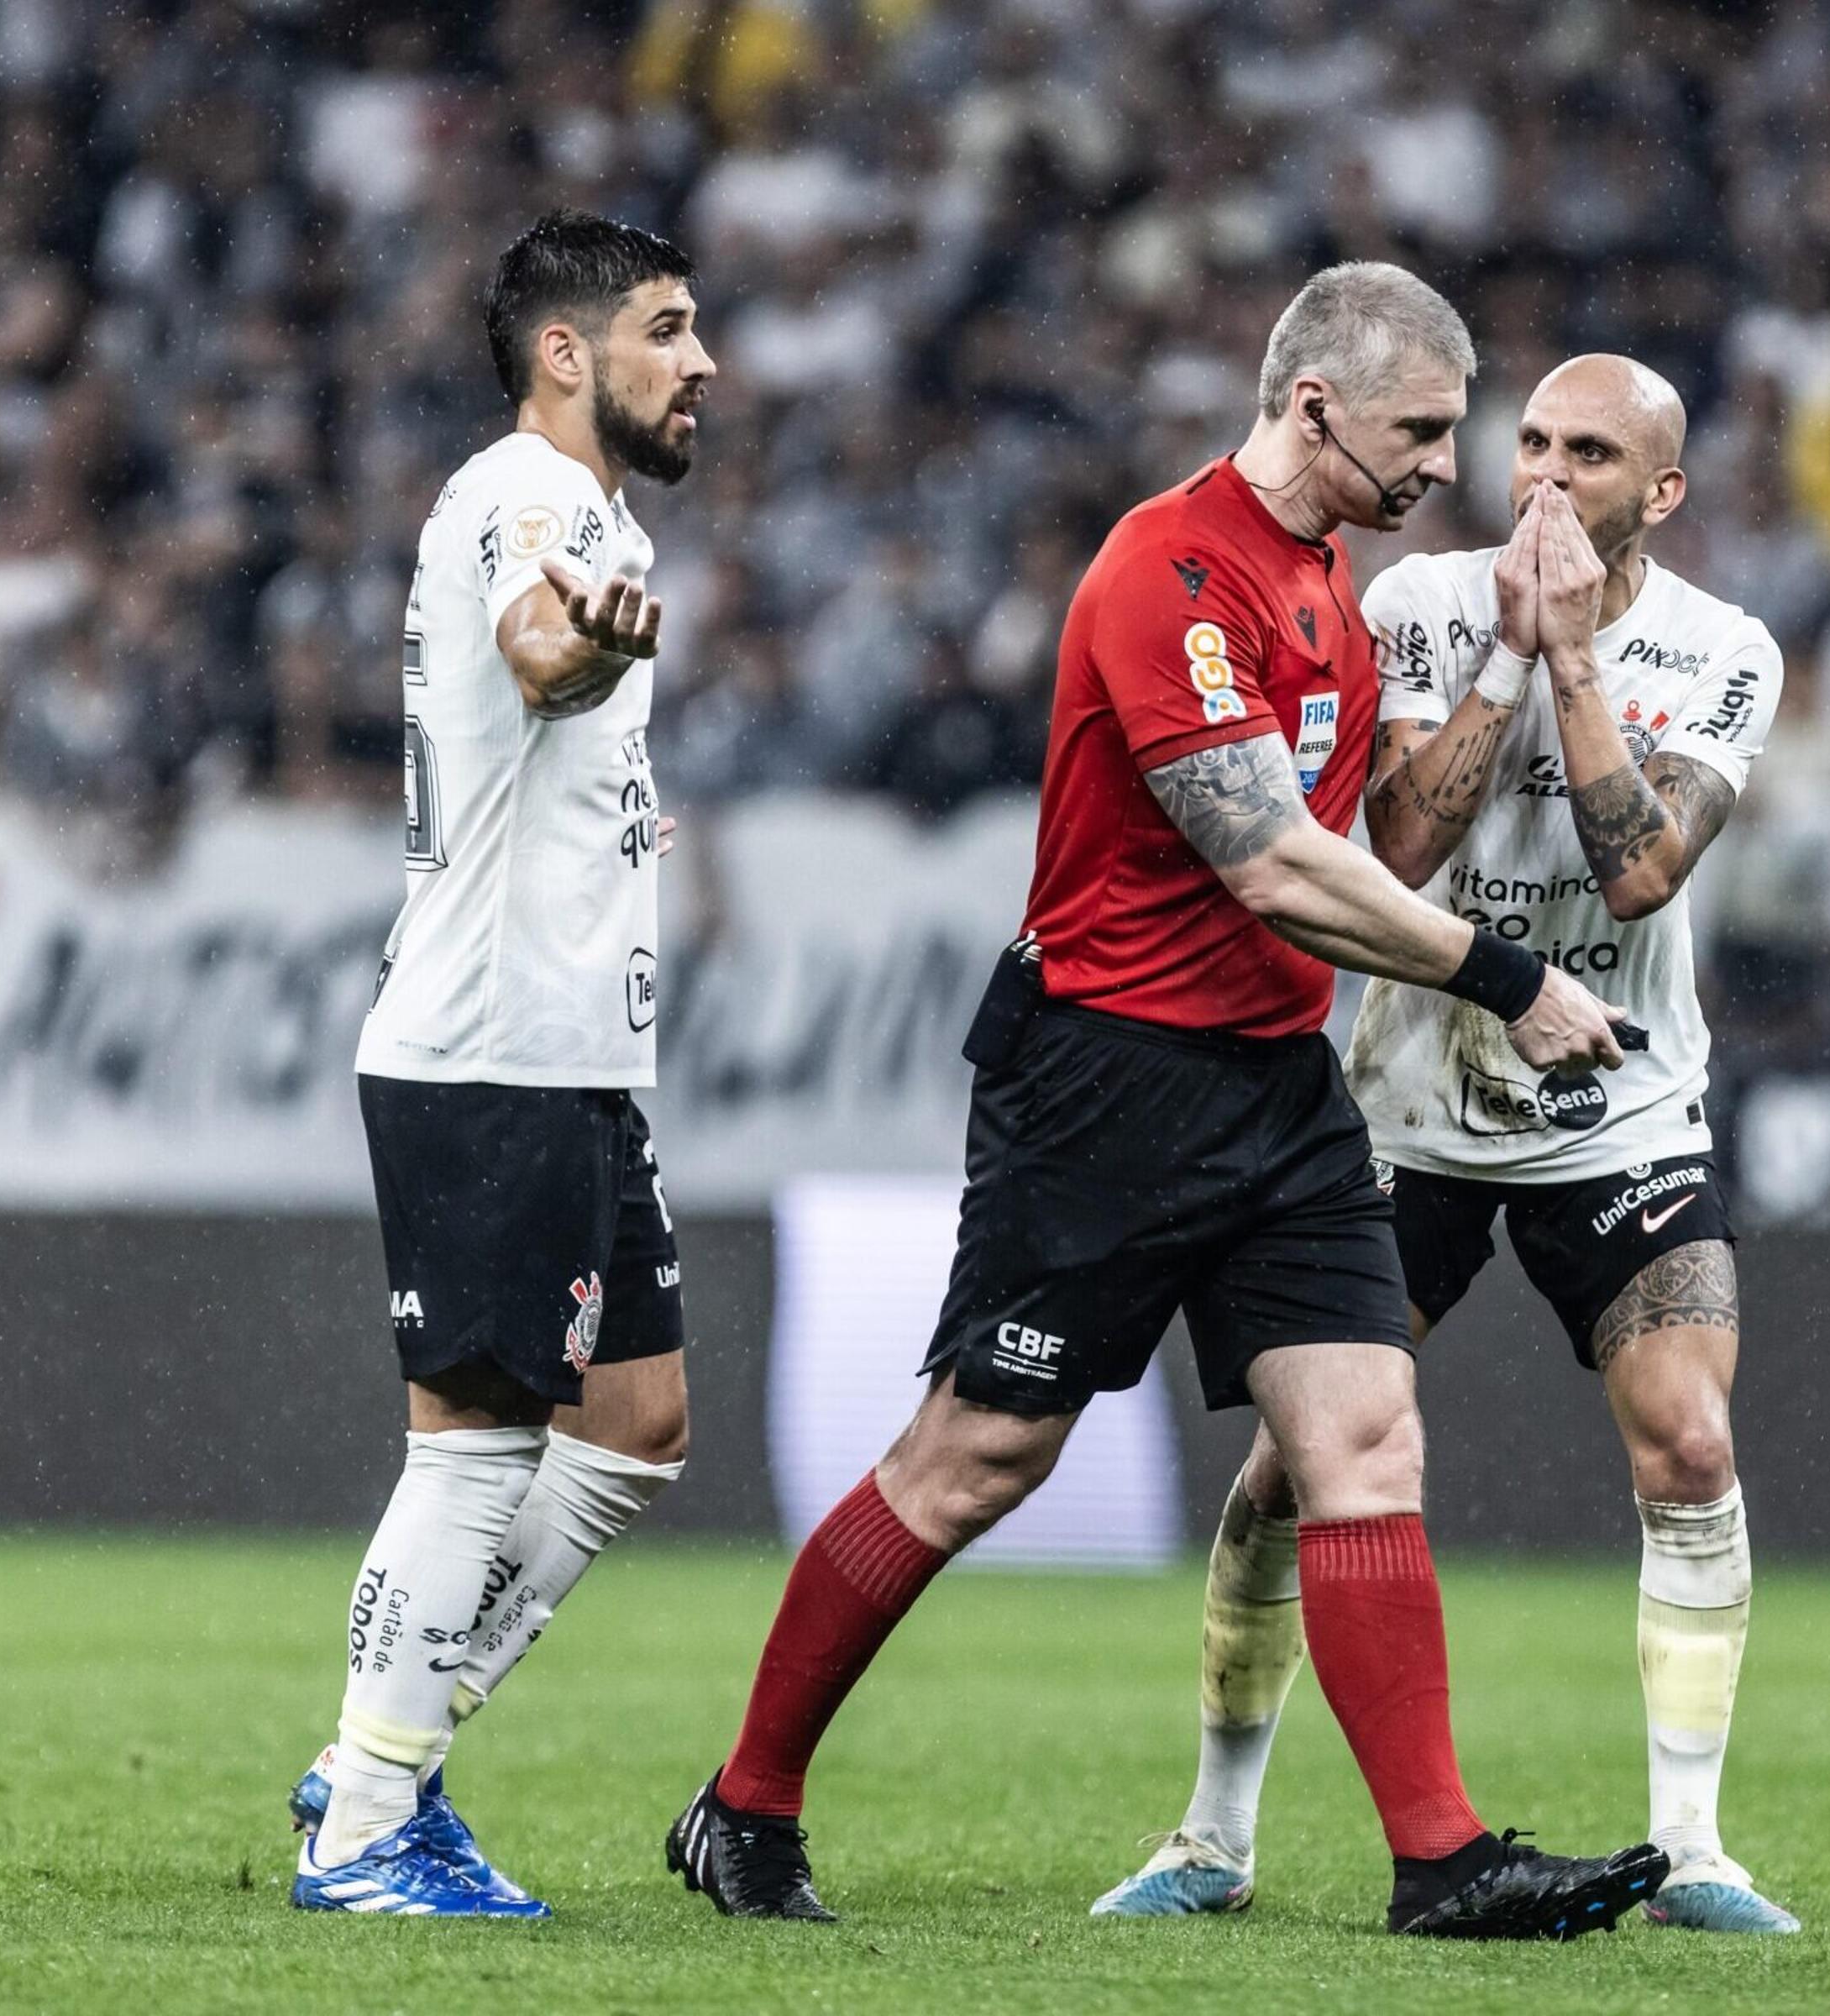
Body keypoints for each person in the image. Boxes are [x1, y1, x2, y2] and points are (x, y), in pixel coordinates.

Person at [665, 264, 1664, 1940]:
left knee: (1361, 1438)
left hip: (1277, 1087)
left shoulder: (1327, 588)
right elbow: (1273, 862)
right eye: (1423, 429)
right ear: (1316, 403)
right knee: (976, 1459)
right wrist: (1506, 979)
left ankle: (1441, 1860)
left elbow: (1381, 853)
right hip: (1106, 1080)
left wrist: (1506, 669)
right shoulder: (1172, 569)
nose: (1449, 465)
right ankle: (743, 1804)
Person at [1092, 355, 1801, 1935]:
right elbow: (1396, 849)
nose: (1543, 476)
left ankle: (1691, 1845)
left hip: (1620, 1101)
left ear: (1660, 493)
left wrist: (1574, 668)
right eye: (1530, 441)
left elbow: (1640, 875)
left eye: (1591, 454)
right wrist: (1504, 655)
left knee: (1689, 1441)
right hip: (1406, 1100)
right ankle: (1213, 1834)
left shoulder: (1726, 652)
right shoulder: (1412, 602)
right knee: (1289, 1471)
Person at [287, 209, 717, 1919]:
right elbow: (542, 653)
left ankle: (385, 1741)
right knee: (474, 1444)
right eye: (669, 330)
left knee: (634, 1424)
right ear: (569, 351)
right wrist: (588, 642)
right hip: (488, 1052)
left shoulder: (581, 513)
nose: (703, 366)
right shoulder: (529, 498)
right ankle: (370, 1823)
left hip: (564, 1056)